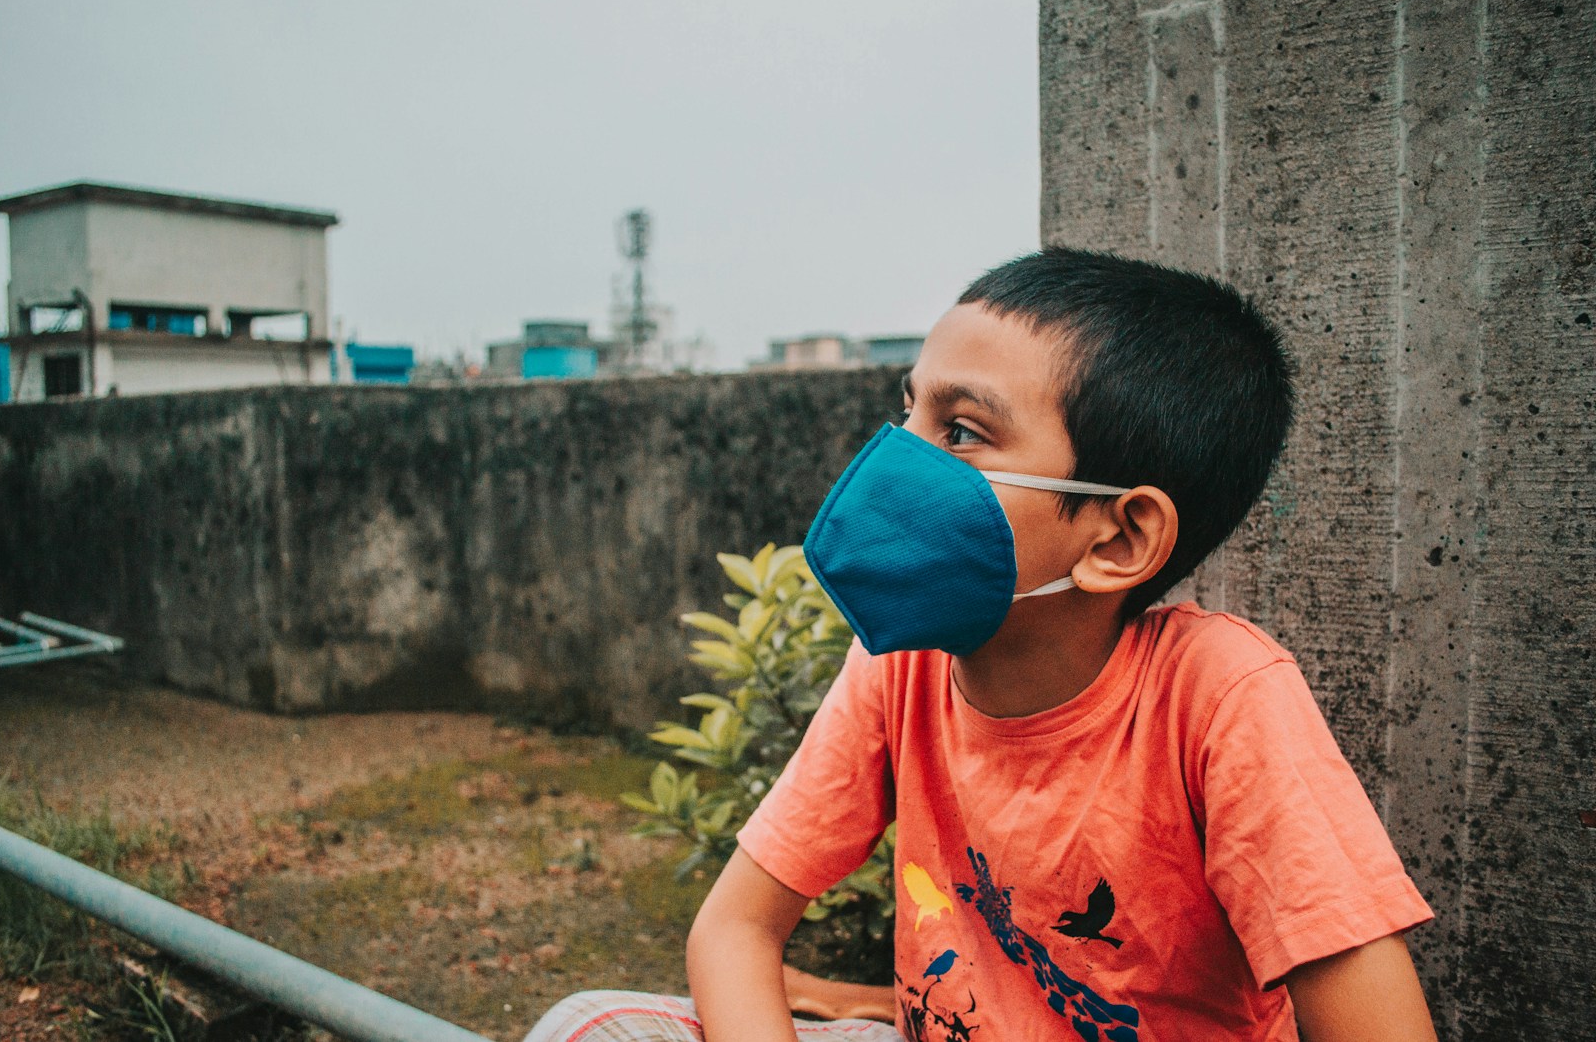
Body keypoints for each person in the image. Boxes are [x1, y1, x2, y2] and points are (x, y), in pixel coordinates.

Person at [525, 248, 1437, 1041]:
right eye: (911, 410)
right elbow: (732, 930)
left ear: (1116, 540)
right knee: (592, 1027)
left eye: (961, 432)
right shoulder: (902, 662)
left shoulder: (1219, 696)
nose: (897, 458)